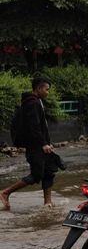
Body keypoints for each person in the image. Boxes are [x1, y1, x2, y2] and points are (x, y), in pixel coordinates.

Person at [1, 77, 58, 210]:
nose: (48, 92)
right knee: (37, 174)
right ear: (38, 89)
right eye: (46, 89)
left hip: (43, 145)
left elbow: (41, 126)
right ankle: (5, 192)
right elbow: (34, 127)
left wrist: (47, 143)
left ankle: (48, 203)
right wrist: (43, 144)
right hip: (36, 146)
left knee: (49, 171)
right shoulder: (32, 103)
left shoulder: (37, 101)